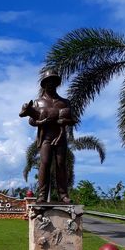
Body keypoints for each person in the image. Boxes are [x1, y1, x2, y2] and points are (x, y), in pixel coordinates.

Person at [19, 70, 76, 204]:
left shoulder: (64, 102)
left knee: (61, 164)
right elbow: (32, 121)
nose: (51, 84)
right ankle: (42, 195)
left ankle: (63, 195)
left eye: (53, 82)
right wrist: (41, 122)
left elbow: (72, 119)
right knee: (44, 163)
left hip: (60, 137)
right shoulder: (38, 103)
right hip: (46, 137)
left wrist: (64, 121)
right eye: (48, 82)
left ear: (57, 84)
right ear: (43, 85)